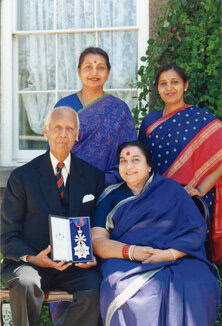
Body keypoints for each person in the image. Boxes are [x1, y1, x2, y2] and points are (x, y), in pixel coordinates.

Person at [91, 141, 220, 326]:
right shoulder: (110, 197)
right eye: (123, 161)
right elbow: (97, 240)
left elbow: (195, 230)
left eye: (135, 160)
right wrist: (132, 251)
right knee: (119, 285)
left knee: (197, 283)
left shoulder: (172, 190)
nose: (129, 167)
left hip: (179, 255)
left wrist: (168, 254)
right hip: (126, 259)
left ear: (149, 165)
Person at [0, 107, 105, 326]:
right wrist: (32, 257)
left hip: (75, 266)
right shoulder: (22, 177)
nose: (63, 134)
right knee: (25, 283)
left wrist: (94, 255)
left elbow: (98, 225)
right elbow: (7, 234)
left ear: (78, 135)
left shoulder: (93, 176)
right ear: (46, 132)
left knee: (95, 288)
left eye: (69, 129)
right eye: (57, 128)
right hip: (33, 263)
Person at [139, 64, 222, 264]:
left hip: (191, 198)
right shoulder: (150, 122)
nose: (169, 88)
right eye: (163, 84)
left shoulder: (202, 120)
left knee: (191, 255)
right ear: (157, 89)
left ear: (185, 85)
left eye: (175, 82)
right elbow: (142, 162)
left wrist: (201, 189)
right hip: (158, 195)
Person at [54, 47, 137, 186]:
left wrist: (104, 180)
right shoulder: (64, 107)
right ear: (79, 71)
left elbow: (131, 152)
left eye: (100, 67)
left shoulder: (119, 109)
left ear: (108, 72)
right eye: (88, 67)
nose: (94, 73)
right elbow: (53, 151)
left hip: (108, 186)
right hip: (69, 185)